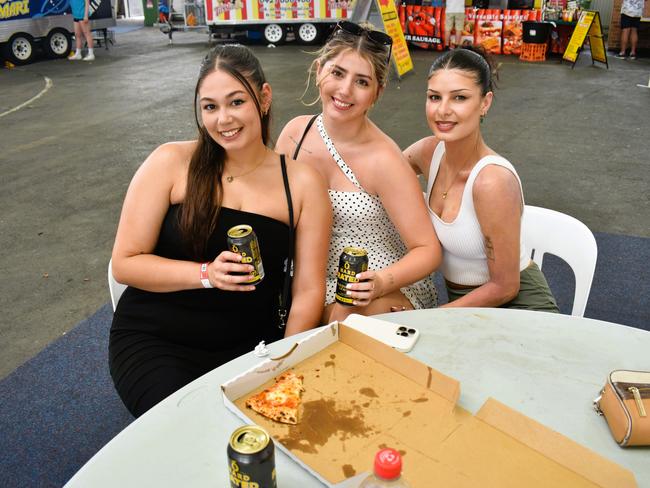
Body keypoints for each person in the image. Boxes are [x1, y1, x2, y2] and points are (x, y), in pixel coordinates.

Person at [109, 44, 332, 417]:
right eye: (210, 107)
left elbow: (308, 288)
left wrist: (286, 361)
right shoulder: (171, 162)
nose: (223, 119)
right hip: (156, 337)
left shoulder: (303, 183)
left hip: (253, 345)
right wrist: (206, 274)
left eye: (236, 102)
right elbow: (125, 264)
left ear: (263, 97)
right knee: (190, 430)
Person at [276, 21, 442, 323]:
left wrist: (380, 282)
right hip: (307, 278)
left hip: (375, 288)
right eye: (337, 73)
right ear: (318, 71)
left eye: (362, 82)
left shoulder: (384, 159)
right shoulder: (294, 135)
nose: (345, 90)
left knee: (343, 323)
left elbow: (428, 250)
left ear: (377, 92)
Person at [404, 47, 559, 311]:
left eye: (459, 98)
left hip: (520, 309)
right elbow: (382, 175)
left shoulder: (492, 181)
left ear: (484, 103)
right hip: (467, 310)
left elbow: (505, 287)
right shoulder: (428, 152)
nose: (442, 110)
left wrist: (433, 317)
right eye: (434, 97)